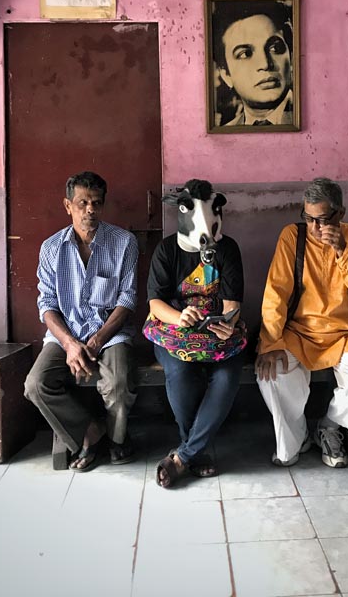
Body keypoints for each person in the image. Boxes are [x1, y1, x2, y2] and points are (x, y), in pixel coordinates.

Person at [255, 177, 348, 468]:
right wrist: (270, 342)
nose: (315, 228)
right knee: (271, 375)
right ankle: (296, 438)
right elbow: (276, 293)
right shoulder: (293, 236)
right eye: (309, 218)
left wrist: (343, 252)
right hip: (299, 333)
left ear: (339, 214)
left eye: (322, 219)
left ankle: (328, 426)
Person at [24, 171, 139, 472]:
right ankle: (89, 433)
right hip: (67, 334)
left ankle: (117, 440)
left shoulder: (124, 243)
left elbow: (126, 301)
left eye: (96, 203)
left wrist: (98, 339)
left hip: (110, 334)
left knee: (119, 382)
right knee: (36, 384)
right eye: (82, 203)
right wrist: (70, 344)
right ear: (67, 205)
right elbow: (47, 304)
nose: (90, 209)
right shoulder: (51, 248)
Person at [143, 179, 247, 487]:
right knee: (179, 369)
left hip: (215, 334)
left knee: (227, 375)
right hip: (173, 331)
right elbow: (155, 303)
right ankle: (195, 453)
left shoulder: (228, 249)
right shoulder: (166, 250)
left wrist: (229, 321)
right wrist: (180, 316)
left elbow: (233, 303)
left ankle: (184, 456)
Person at [212, 0, 294, 127]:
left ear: (291, 56)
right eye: (245, 54)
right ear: (226, 75)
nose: (265, 64)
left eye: (274, 48)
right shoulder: (226, 131)